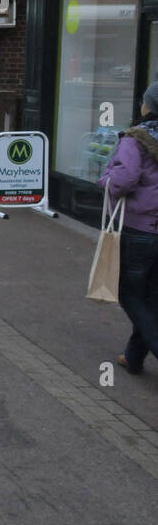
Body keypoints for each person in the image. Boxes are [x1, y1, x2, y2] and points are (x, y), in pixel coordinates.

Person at [99, 81, 158, 375]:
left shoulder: (137, 139)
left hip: (142, 229)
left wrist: (106, 176)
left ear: (149, 105)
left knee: (130, 293)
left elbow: (122, 181)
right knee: (152, 297)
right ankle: (134, 357)